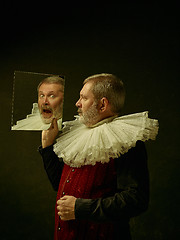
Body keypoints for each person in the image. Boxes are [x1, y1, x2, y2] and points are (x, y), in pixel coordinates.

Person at [39, 73, 159, 240]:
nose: (77, 103)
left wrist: (81, 208)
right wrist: (47, 147)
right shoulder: (79, 134)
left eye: (83, 98)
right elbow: (60, 185)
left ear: (102, 104)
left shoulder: (126, 142)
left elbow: (136, 200)